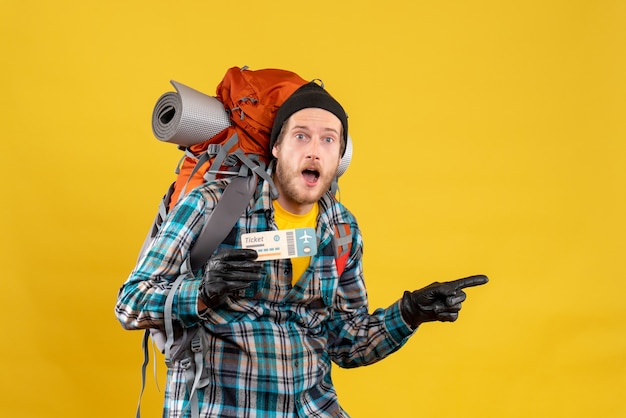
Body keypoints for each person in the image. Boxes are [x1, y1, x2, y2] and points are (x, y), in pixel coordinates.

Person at [115, 81, 488, 417]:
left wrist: (408, 313)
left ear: (339, 155)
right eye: (301, 136)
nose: (314, 151)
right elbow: (129, 304)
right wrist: (202, 293)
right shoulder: (211, 205)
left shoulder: (341, 228)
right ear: (277, 146)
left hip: (311, 408)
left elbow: (347, 343)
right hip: (222, 405)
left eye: (328, 139)